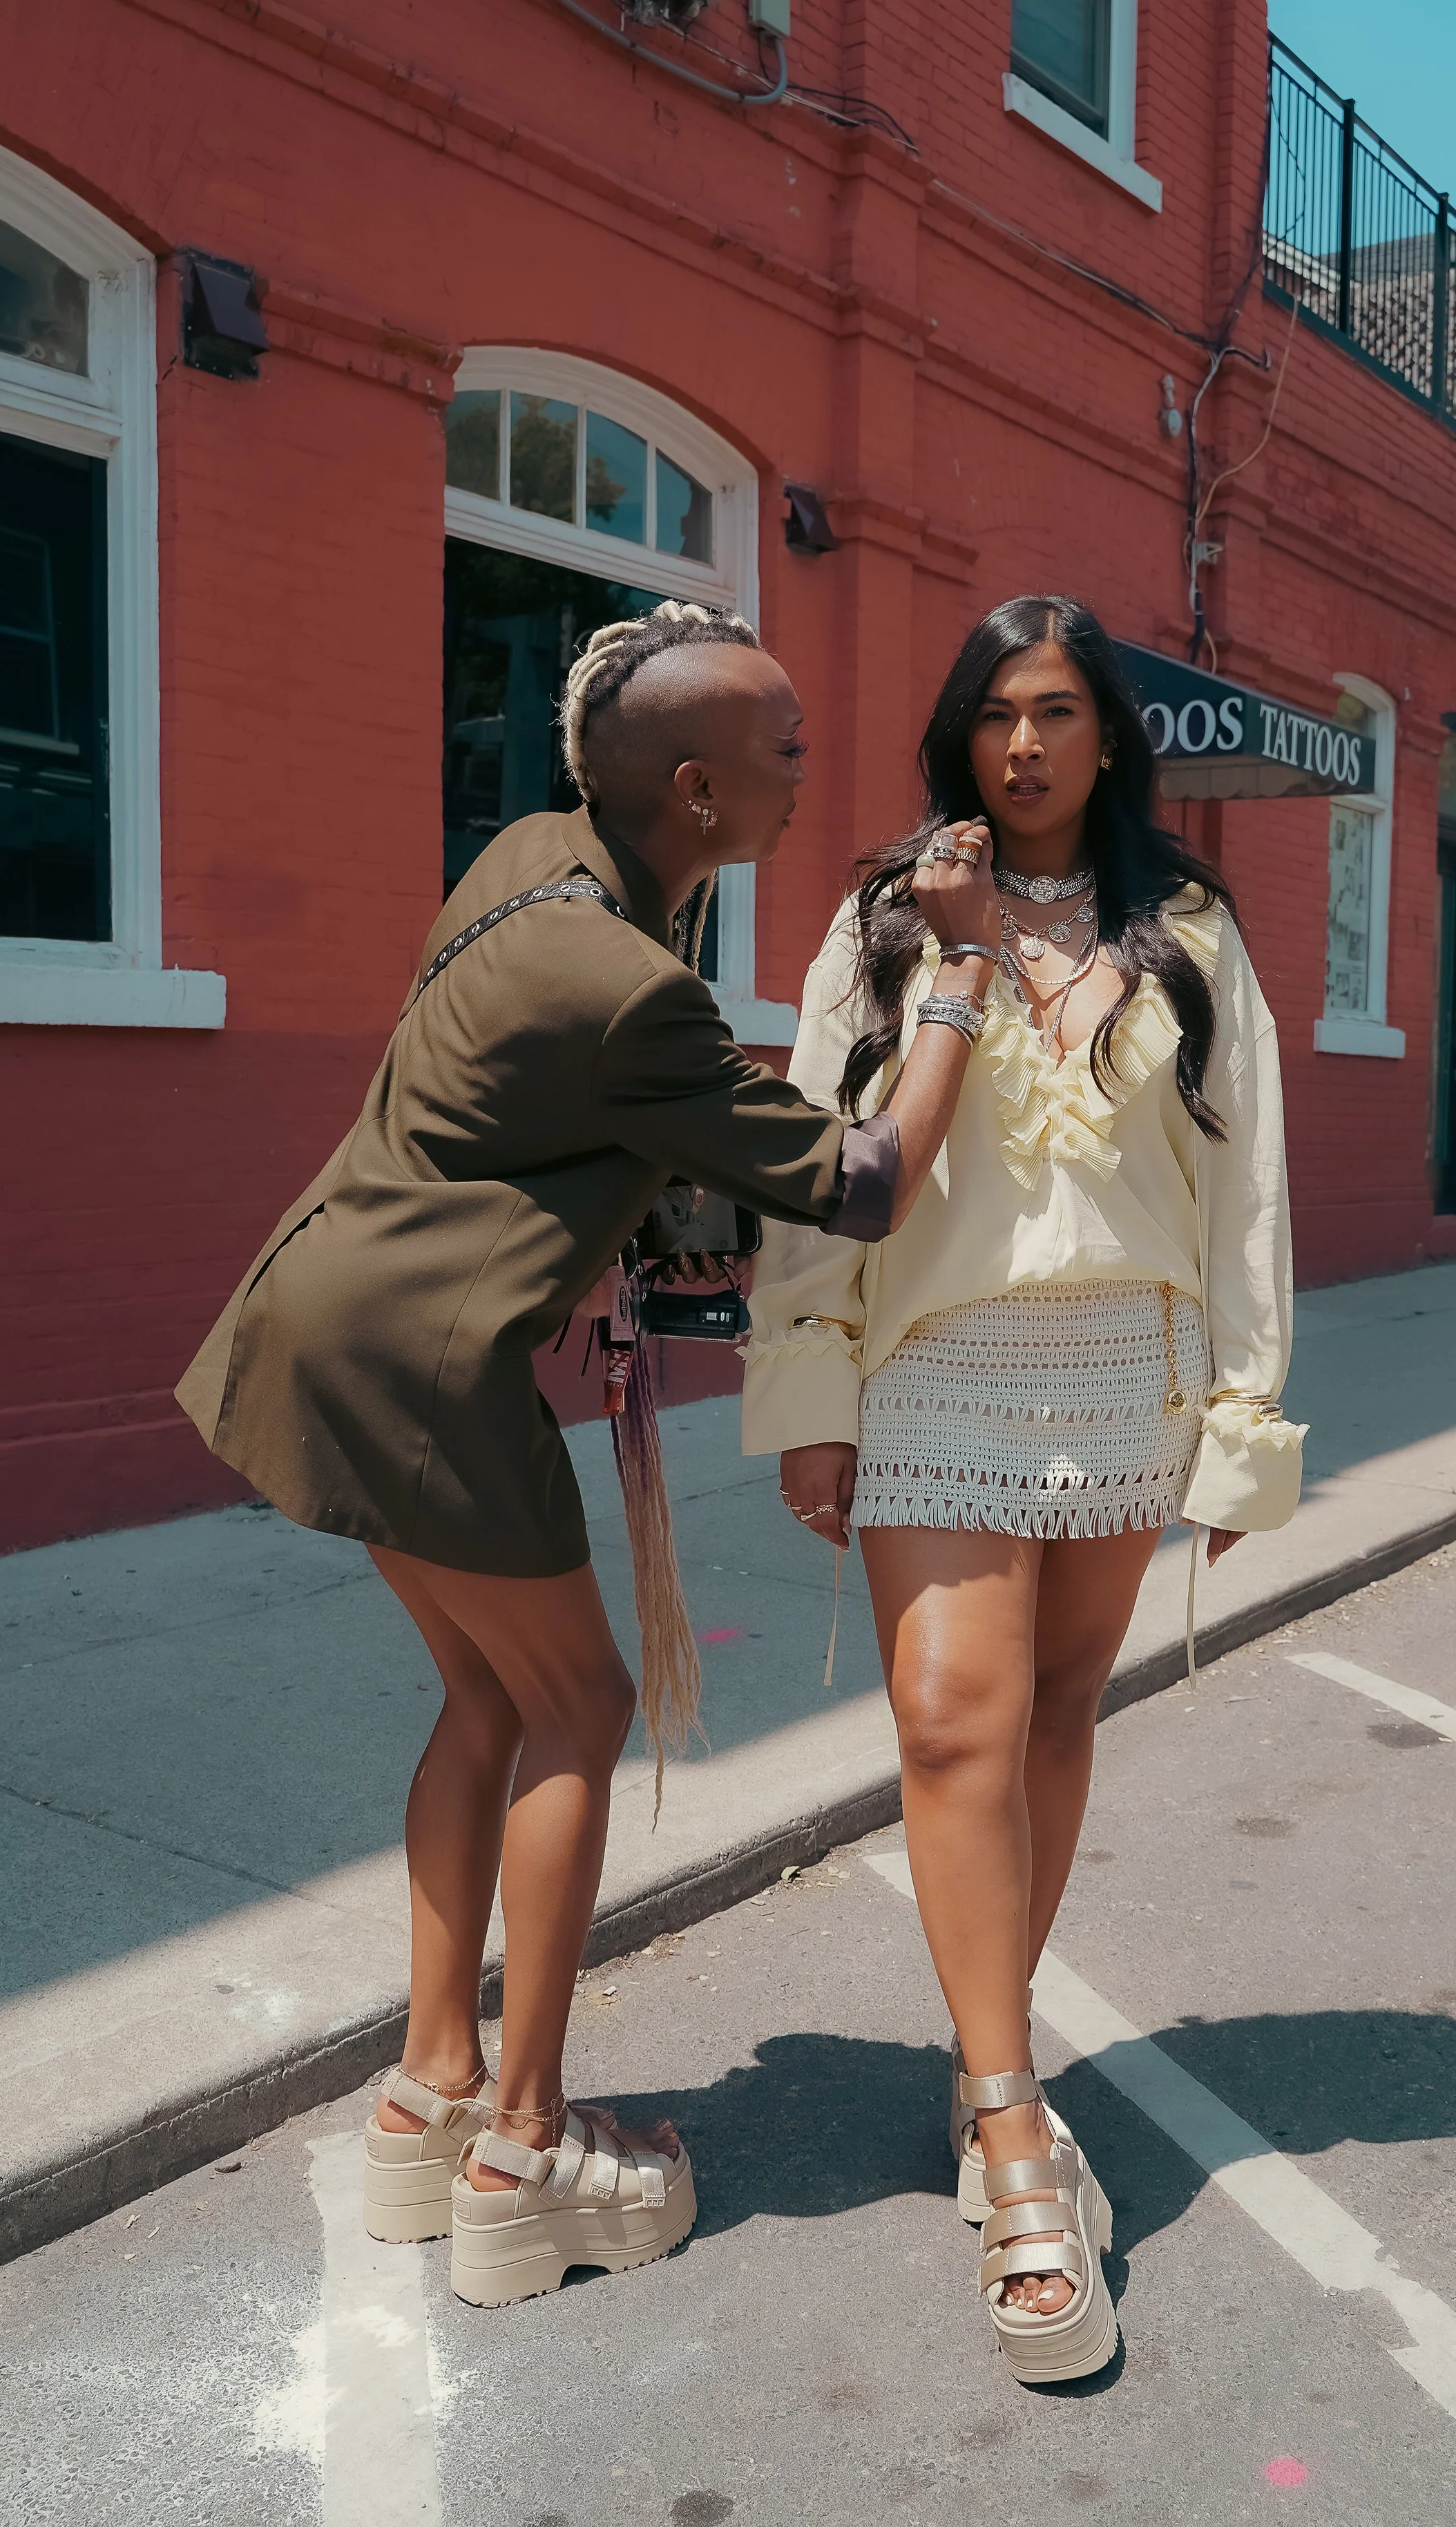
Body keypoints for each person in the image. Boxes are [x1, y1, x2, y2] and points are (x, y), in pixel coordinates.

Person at [175, 599, 1002, 2308]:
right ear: (694, 789)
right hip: (421, 1366)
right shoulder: (631, 989)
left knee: (490, 1699)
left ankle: (429, 2088)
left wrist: (623, 1204)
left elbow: (530, 1106)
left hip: (324, 1313)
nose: (805, 772)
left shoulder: (532, 861)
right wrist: (959, 980)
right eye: (782, 748)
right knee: (579, 1705)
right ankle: (524, 2148)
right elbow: (861, 1181)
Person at [741, 593, 1303, 2383]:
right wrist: (810, 1381)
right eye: (995, 712)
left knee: (1057, 1711)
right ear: (957, 734)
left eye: (1056, 709)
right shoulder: (884, 915)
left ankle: (989, 2049)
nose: (1025, 743)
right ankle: (1008, 2131)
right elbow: (819, 1156)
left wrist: (1241, 1411)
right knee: (947, 1720)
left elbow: (1244, 1182)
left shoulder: (1186, 925)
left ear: (1107, 732)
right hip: (935, 1361)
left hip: (1126, 1363)